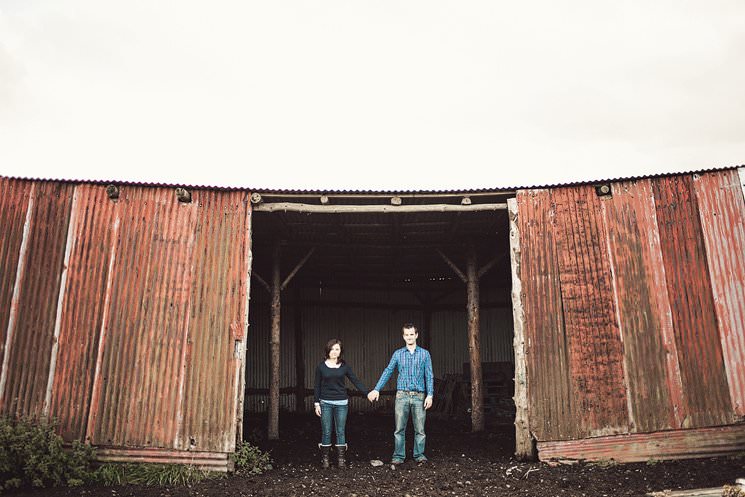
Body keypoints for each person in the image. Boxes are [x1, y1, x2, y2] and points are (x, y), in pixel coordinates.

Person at [367, 323, 434, 464]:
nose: (409, 337)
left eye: (412, 334)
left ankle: (419, 455)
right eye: (406, 334)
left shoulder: (425, 354)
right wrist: (377, 388)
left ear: (416, 335)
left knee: (420, 429)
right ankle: (398, 456)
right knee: (399, 428)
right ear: (403, 336)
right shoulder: (398, 354)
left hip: (419, 396)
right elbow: (388, 371)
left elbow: (429, 375)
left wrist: (430, 395)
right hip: (402, 396)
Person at [314, 338, 369, 469]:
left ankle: (341, 460)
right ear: (328, 350)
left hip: (341, 403)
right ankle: (325, 460)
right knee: (326, 431)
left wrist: (367, 393)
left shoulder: (345, 367)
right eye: (332, 349)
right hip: (325, 402)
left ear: (340, 352)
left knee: (340, 431)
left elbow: (355, 380)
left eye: (337, 349)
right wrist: (316, 403)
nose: (334, 351)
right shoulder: (321, 367)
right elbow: (317, 386)